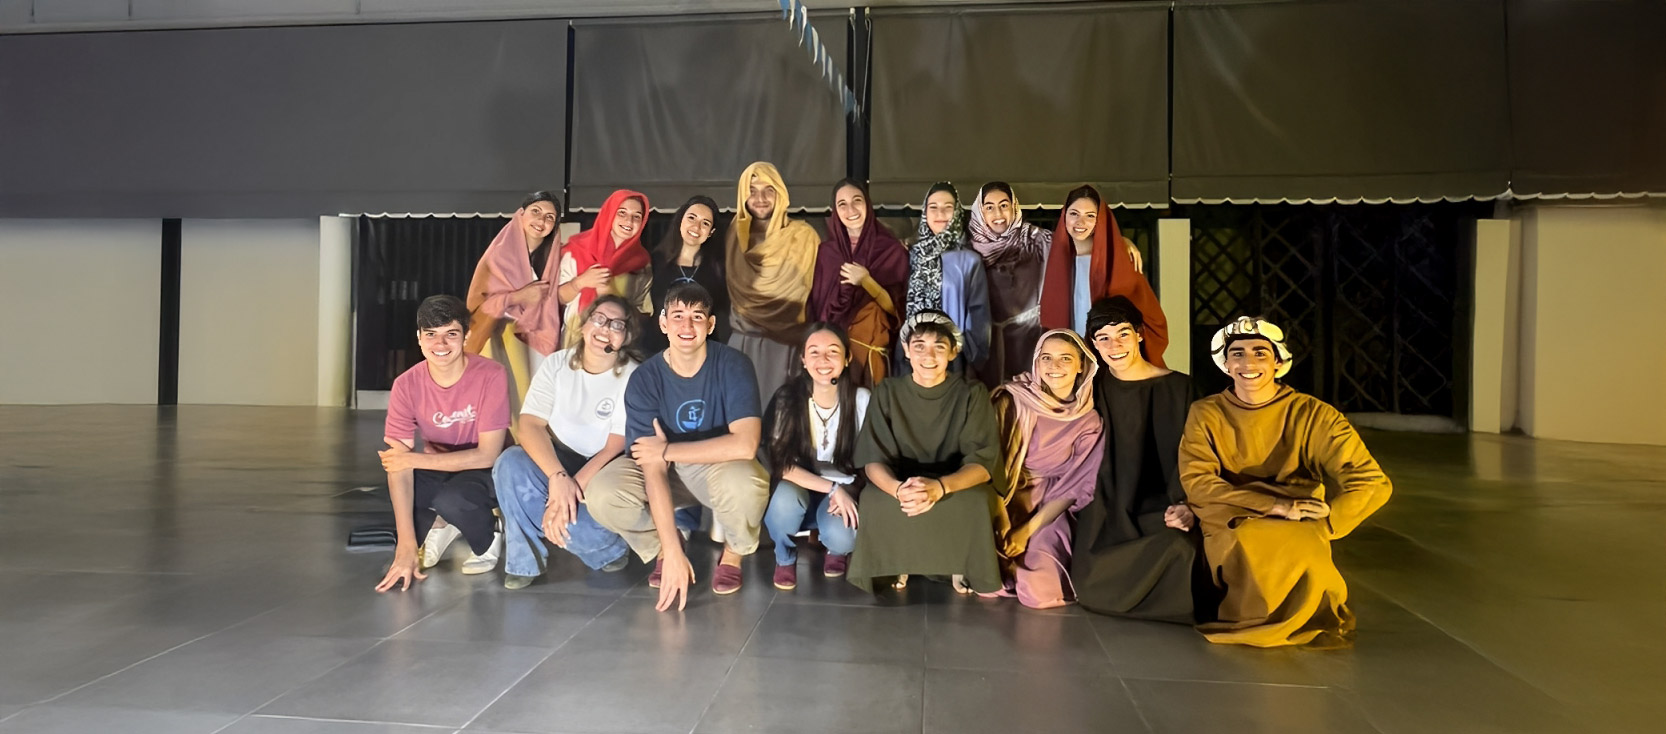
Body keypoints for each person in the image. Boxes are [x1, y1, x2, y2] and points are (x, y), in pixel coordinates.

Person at [1181, 316, 1393, 647]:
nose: (1248, 363)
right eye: (1237, 354)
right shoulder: (1206, 413)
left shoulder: (1315, 415)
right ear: (1226, 365)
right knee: (1245, 540)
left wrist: (1329, 520)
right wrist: (1272, 506)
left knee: (1305, 549)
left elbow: (1371, 480)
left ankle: (1308, 618)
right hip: (1233, 507)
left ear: (1278, 362)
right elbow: (1198, 480)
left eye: (1260, 353)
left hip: (1299, 510)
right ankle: (1248, 618)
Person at [586, 282, 771, 611]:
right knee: (602, 492)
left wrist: (667, 450)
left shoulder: (733, 364)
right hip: (666, 472)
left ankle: (733, 551)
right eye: (678, 316)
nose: (687, 325)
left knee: (746, 482)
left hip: (717, 468)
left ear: (710, 325)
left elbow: (745, 445)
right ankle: (663, 549)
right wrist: (671, 549)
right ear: (663, 323)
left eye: (697, 317)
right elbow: (651, 466)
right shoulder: (645, 378)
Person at [847, 310, 1004, 595]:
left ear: (953, 352)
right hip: (902, 480)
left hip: (953, 479)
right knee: (874, 499)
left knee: (976, 500)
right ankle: (899, 561)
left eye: (939, 347)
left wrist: (941, 488)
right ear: (906, 350)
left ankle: (959, 564)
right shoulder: (887, 391)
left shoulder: (972, 393)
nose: (928, 356)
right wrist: (898, 490)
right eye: (919, 346)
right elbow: (872, 458)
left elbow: (983, 464)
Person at [492, 295, 642, 589]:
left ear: (626, 337)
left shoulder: (633, 375)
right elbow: (530, 425)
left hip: (601, 469)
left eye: (617, 325)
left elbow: (615, 446)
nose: (605, 329)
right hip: (557, 459)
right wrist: (557, 478)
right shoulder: (557, 364)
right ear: (584, 326)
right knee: (509, 464)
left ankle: (606, 548)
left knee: (594, 534)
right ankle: (524, 562)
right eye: (599, 319)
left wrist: (568, 493)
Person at [1071, 297, 1203, 622]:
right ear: (1093, 344)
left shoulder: (1180, 388)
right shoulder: (1091, 389)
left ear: (1140, 334)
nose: (1114, 345)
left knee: (1182, 550)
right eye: (1103, 337)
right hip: (1107, 504)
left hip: (1165, 501)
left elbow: (1200, 456)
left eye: (1123, 334)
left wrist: (1189, 505)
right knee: (1091, 582)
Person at [376, 295, 510, 592]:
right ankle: (441, 524)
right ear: (419, 338)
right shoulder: (406, 384)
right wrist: (406, 546)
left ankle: (489, 533)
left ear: (466, 336)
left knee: (453, 499)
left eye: (451, 334)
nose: (440, 344)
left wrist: (413, 460)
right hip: (439, 464)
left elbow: (487, 455)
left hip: (485, 470)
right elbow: (397, 464)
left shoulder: (491, 375)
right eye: (431, 334)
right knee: (403, 485)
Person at [989, 329, 1104, 609]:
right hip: (1001, 498)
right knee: (987, 578)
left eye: (1065, 358)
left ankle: (1030, 565)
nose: (1054, 366)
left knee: (1039, 590)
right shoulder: (1011, 399)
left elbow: (1076, 486)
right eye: (1046, 357)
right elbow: (987, 466)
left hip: (1049, 506)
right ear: (1036, 362)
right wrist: (1002, 522)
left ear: (1082, 366)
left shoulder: (1089, 421)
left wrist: (1026, 531)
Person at [761, 324, 868, 591]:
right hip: (799, 485)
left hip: (845, 488)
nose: (823, 360)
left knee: (844, 535)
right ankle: (784, 555)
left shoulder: (861, 399)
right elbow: (781, 464)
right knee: (784, 502)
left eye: (833, 352)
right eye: (814, 352)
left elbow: (870, 460)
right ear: (803, 359)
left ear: (847, 358)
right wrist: (832, 489)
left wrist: (847, 491)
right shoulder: (787, 398)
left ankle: (837, 549)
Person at [725, 161, 822, 405]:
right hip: (742, 342)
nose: (760, 198)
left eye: (769, 190)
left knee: (783, 415)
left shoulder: (803, 237)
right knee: (740, 413)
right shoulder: (734, 235)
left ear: (781, 193)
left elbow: (819, 294)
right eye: (752, 190)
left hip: (786, 345)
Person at [1038, 185, 1164, 366]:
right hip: (1069, 357)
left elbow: (1146, 312)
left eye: (1090, 216)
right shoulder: (1050, 255)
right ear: (1064, 215)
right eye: (1074, 214)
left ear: (1100, 220)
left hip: (1107, 356)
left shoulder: (1118, 257)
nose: (1080, 222)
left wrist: (1122, 242)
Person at [463, 191, 564, 415]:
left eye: (550, 217)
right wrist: (518, 297)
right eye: (536, 211)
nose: (541, 220)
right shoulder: (497, 257)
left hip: (537, 339)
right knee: (503, 405)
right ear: (521, 214)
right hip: (499, 338)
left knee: (532, 405)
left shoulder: (553, 258)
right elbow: (481, 304)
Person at [807, 179, 907, 387]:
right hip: (831, 357)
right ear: (835, 210)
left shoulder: (891, 250)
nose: (850, 210)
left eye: (857, 201)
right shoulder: (827, 253)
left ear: (867, 204)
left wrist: (866, 281)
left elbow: (896, 311)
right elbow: (818, 309)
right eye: (842, 204)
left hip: (870, 356)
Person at [968, 182, 1052, 386]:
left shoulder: (1039, 242)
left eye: (1004, 205)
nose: (998, 213)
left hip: (1032, 342)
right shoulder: (968, 251)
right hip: (988, 349)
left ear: (1014, 207)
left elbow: (1075, 252)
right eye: (989, 207)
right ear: (979, 212)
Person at [902, 182, 990, 375]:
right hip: (912, 354)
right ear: (925, 212)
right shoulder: (910, 255)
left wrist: (968, 358)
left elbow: (979, 316)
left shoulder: (969, 260)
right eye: (933, 207)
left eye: (947, 207)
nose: (940, 213)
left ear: (957, 212)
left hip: (953, 357)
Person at [558, 189, 652, 346]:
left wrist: (610, 295)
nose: (629, 221)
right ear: (610, 213)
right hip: (574, 339)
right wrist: (580, 282)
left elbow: (643, 315)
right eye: (622, 213)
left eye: (636, 216)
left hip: (615, 344)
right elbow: (558, 298)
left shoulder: (641, 263)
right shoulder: (577, 249)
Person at [641, 195, 729, 354]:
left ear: (711, 232)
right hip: (656, 350)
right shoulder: (654, 262)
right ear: (680, 220)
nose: (696, 227)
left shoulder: (719, 270)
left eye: (705, 223)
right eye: (692, 218)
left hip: (702, 353)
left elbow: (723, 319)